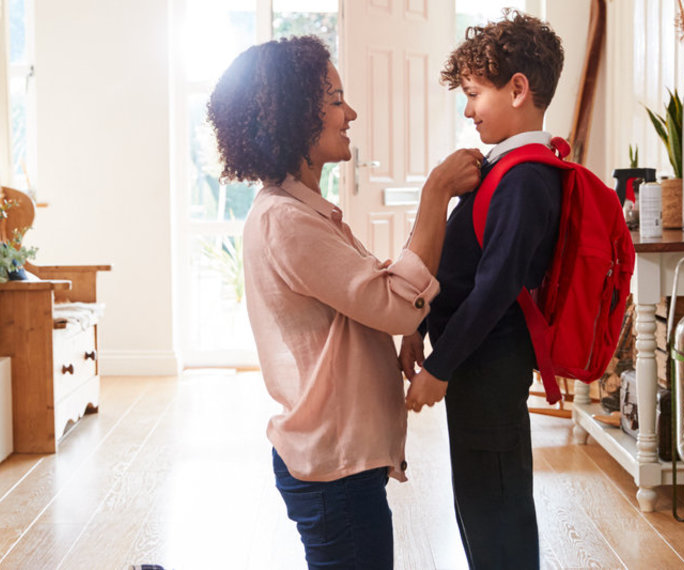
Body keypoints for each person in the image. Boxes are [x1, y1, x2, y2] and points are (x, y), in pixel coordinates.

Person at [207, 36, 483, 569]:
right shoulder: (286, 222)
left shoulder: (301, 213)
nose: (350, 112)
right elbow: (396, 301)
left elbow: (372, 294)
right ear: (295, 119)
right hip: (332, 470)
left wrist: (407, 329)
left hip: (335, 462)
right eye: (335, 100)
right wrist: (434, 194)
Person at [398, 10, 566, 569]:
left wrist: (439, 367)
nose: (467, 109)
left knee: (497, 506)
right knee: (478, 498)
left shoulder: (526, 179)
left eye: (473, 94)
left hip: (490, 367)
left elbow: (493, 290)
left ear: (518, 89)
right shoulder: (501, 170)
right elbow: (458, 264)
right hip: (476, 367)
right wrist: (417, 328)